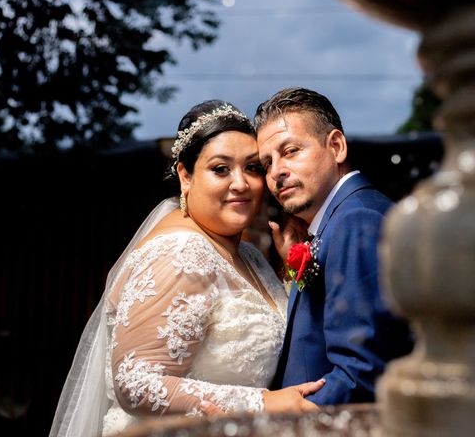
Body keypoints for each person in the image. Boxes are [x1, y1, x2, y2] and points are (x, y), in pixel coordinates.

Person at [49, 100, 324, 437]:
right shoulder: (180, 252)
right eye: (221, 169)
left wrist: (290, 270)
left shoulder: (248, 256)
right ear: (185, 176)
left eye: (252, 168)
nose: (240, 183)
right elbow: (135, 382)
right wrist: (262, 404)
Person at [255, 87, 414, 404]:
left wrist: (285, 424)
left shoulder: (357, 222)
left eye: (291, 151)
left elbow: (361, 373)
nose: (277, 172)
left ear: (337, 147)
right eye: (266, 163)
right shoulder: (340, 220)